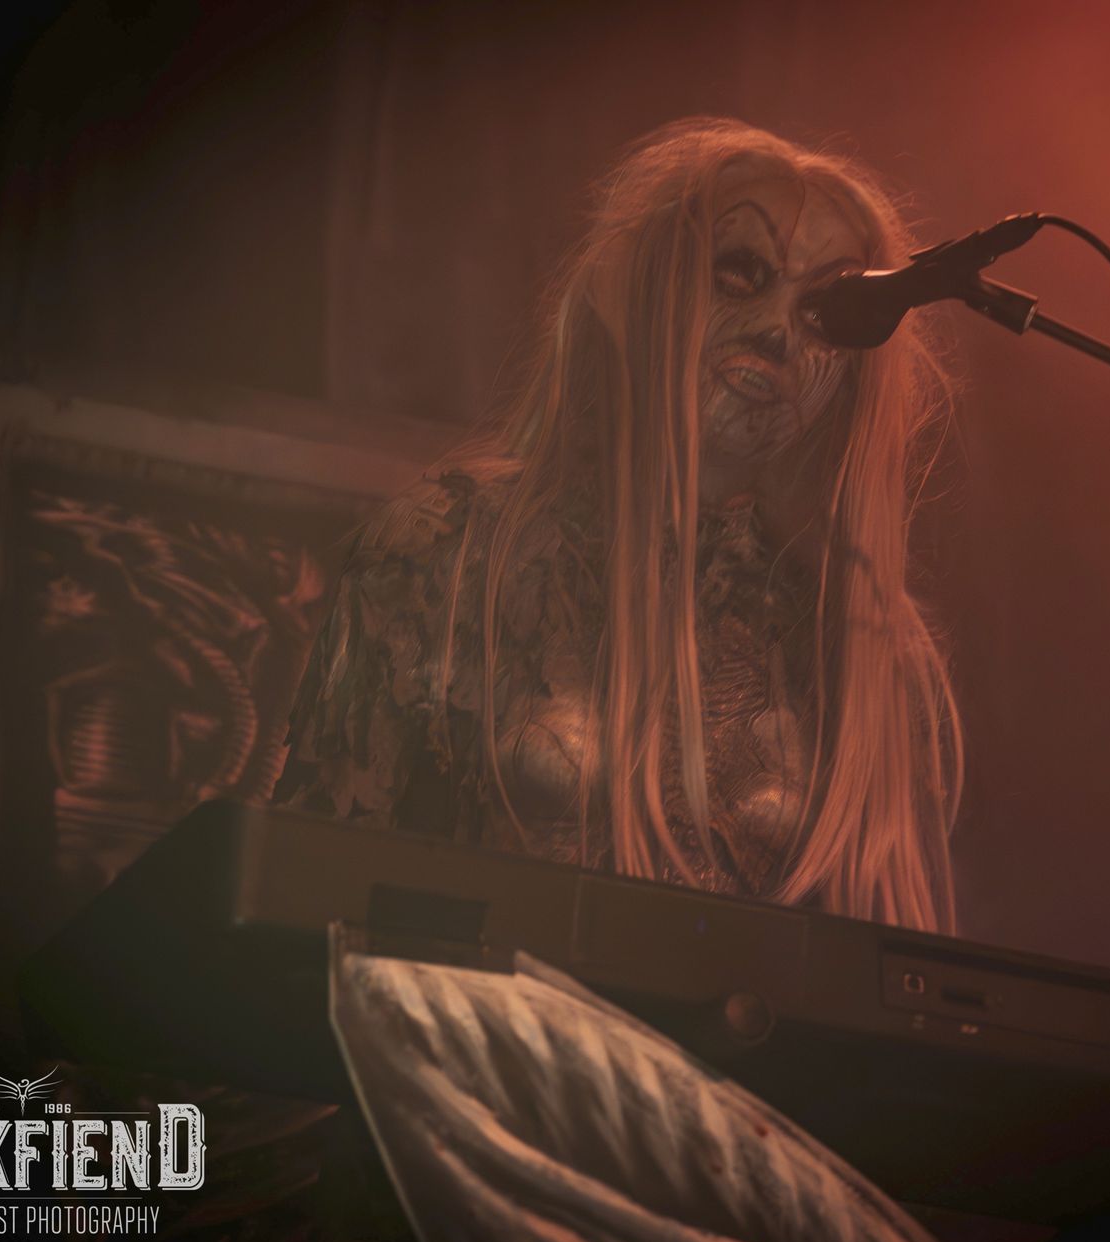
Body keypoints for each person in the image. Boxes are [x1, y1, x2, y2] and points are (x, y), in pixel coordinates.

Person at [276, 116, 963, 934]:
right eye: (740, 273)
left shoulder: (865, 638)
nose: (779, 331)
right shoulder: (447, 546)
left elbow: (892, 976)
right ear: (638, 287)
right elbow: (308, 897)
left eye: (830, 312)